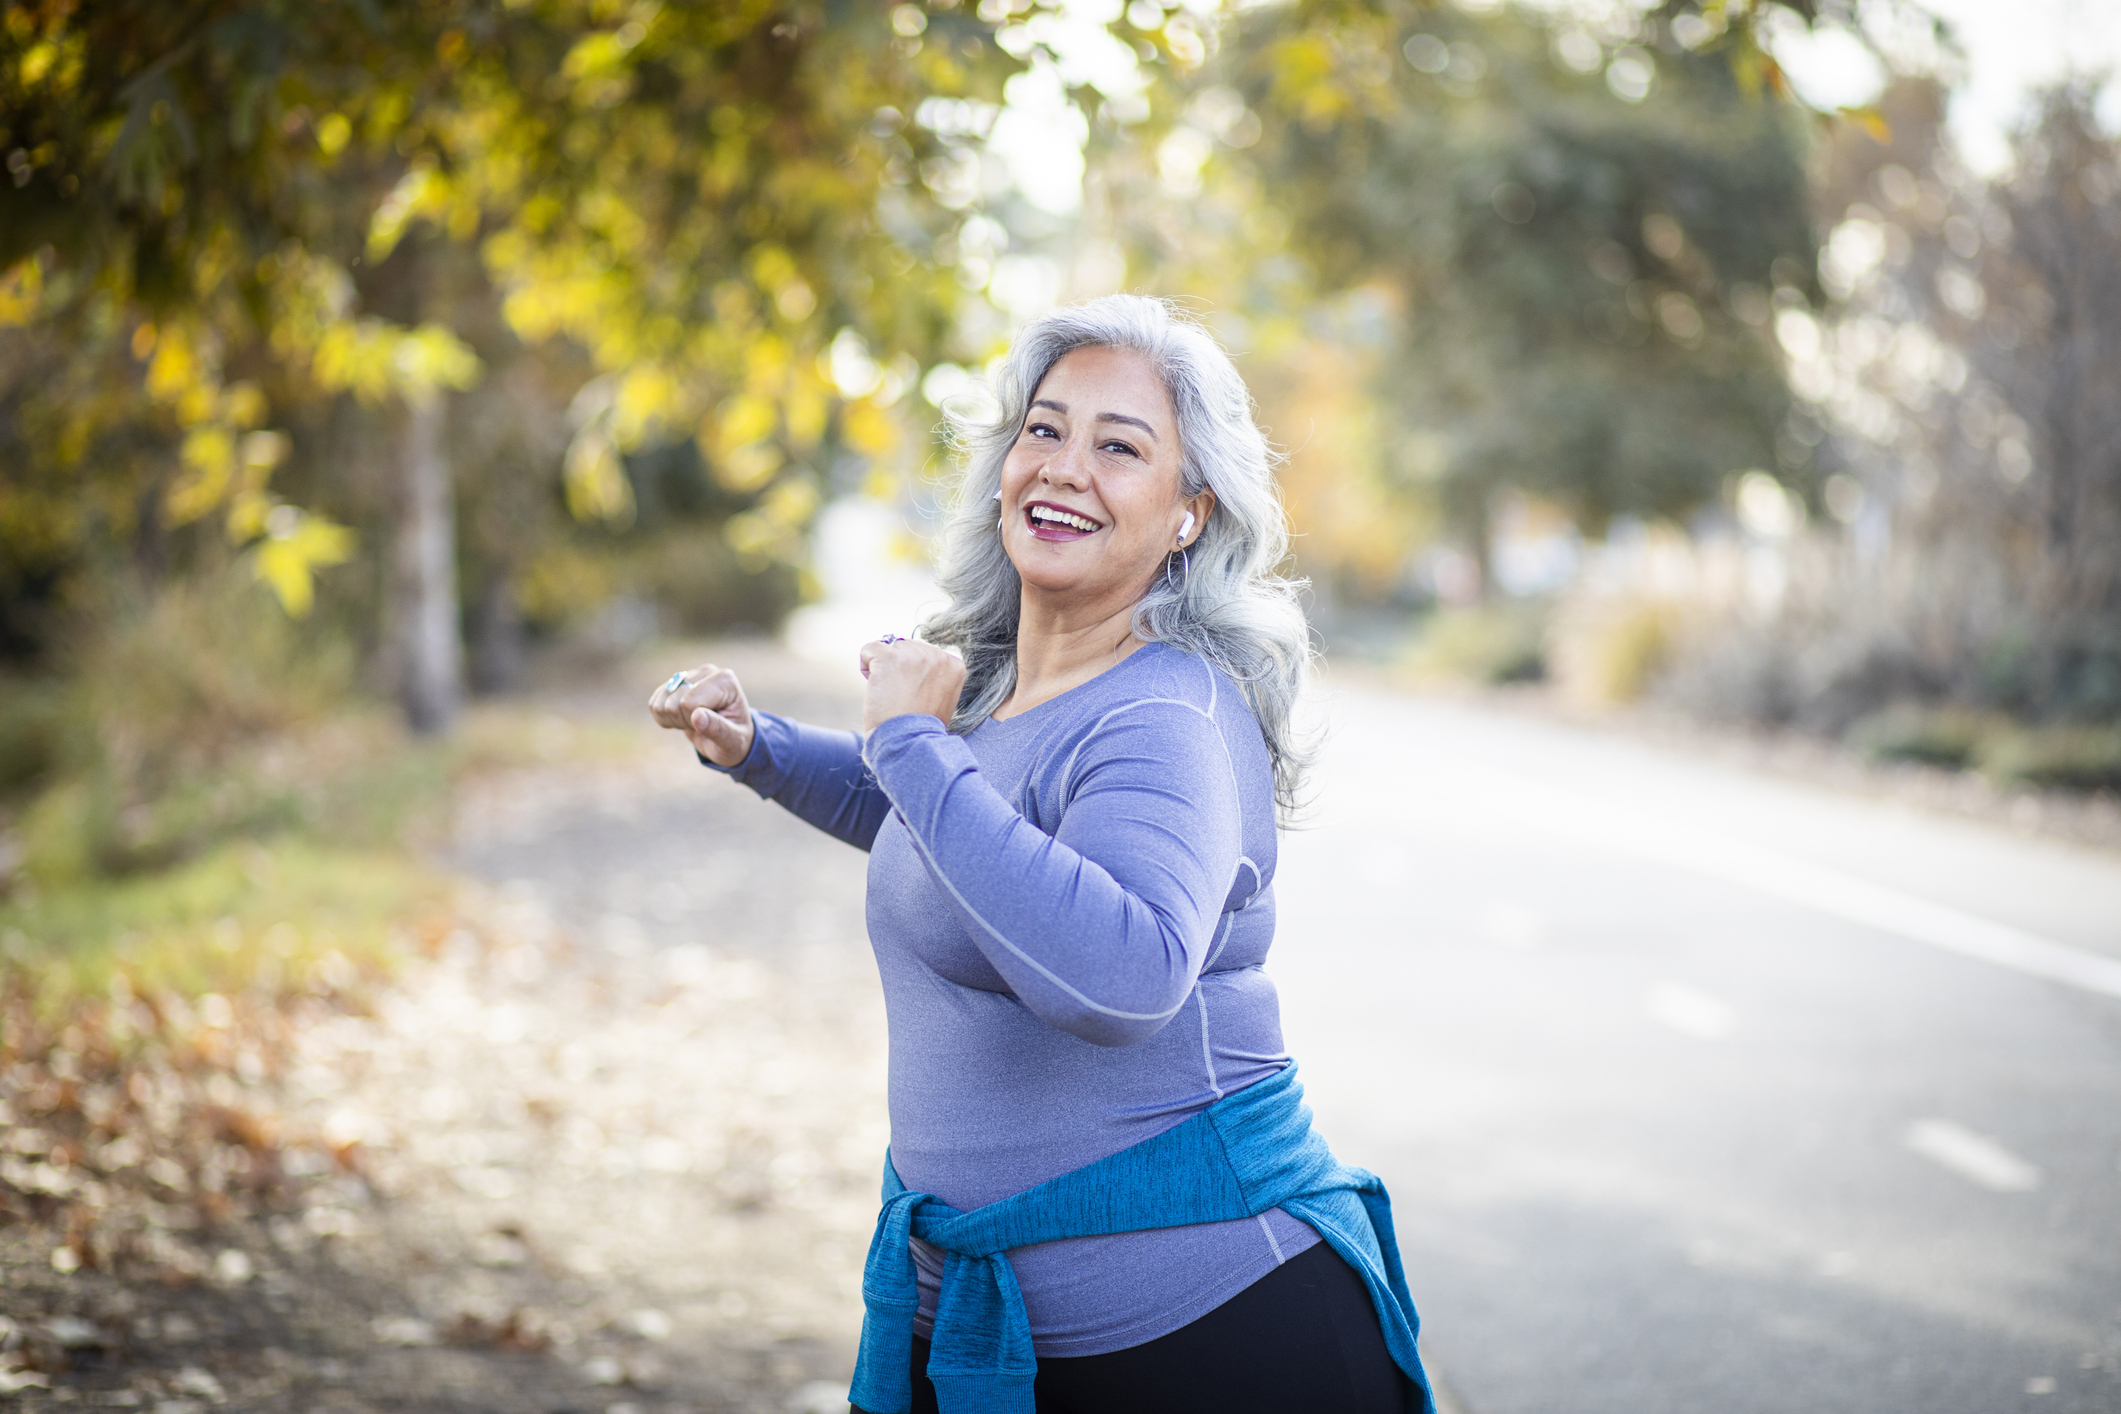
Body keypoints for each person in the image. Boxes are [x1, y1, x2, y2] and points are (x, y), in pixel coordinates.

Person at [650, 295, 1432, 1414]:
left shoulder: (1165, 712)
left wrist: (914, 743)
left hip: (1207, 1329)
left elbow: (1123, 977)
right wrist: (759, 746)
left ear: (1189, 514)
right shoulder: (1000, 685)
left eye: (1121, 447)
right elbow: (961, 848)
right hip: (995, 1319)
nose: (1066, 467)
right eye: (1045, 429)